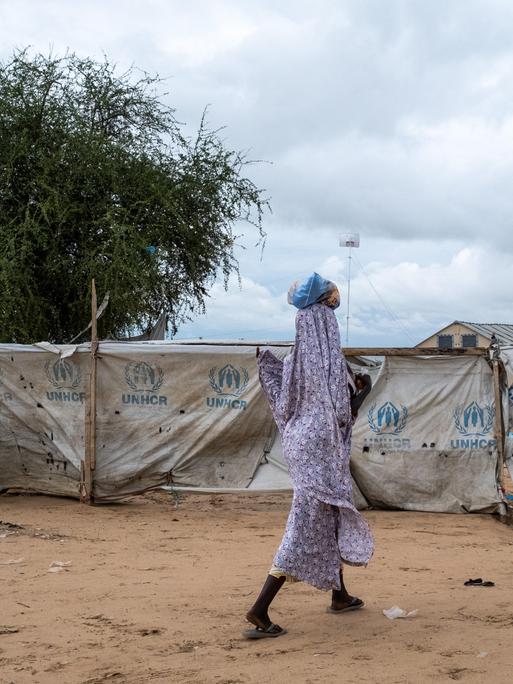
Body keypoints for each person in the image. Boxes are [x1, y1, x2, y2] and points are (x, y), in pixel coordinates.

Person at [244, 272, 374, 639]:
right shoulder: (325, 329)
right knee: (303, 528)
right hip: (322, 444)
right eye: (333, 296)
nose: (337, 302)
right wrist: (364, 391)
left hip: (303, 442)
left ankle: (340, 595)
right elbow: (340, 407)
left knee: (329, 514)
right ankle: (259, 608)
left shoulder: (299, 354)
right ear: (322, 307)